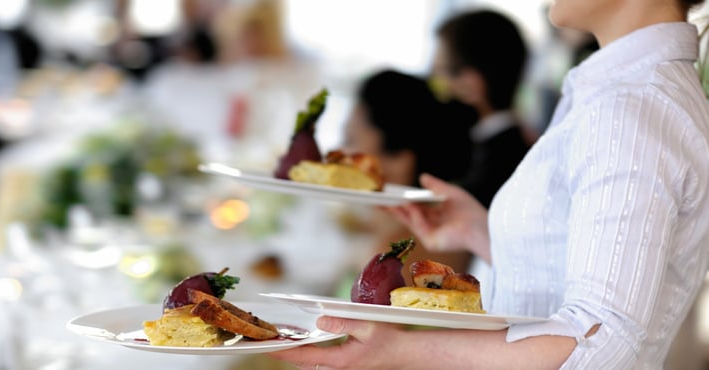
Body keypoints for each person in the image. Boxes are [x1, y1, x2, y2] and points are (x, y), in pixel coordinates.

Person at [268, 0, 709, 368]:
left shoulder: (631, 107)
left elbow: (599, 339)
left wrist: (402, 350)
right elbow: (591, 281)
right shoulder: (621, 91)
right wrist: (482, 232)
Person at [337, 68, 478, 280]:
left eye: (350, 140)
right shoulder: (406, 234)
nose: (338, 156)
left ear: (400, 160)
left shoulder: (400, 258)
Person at [431, 9, 533, 209]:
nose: (435, 84)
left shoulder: (490, 168)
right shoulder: (520, 146)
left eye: (440, 73)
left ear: (471, 85)